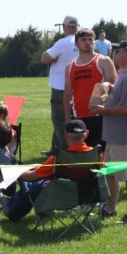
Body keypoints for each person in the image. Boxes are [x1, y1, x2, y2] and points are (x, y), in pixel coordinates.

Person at [93, 40, 127, 223]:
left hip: (124, 135)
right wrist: (112, 88)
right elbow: (122, 96)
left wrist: (103, 110)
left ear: (126, 54)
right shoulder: (126, 74)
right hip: (115, 134)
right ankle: (110, 209)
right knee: (111, 174)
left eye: (118, 51)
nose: (114, 54)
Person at [4, 120, 100, 221]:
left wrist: (14, 171)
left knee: (28, 186)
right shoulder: (96, 154)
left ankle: (10, 211)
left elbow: (31, 176)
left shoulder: (58, 157)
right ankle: (10, 207)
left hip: (59, 196)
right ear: (86, 134)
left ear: (65, 135)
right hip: (88, 196)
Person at [63, 27, 117, 148]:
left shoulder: (104, 61)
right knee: (82, 158)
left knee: (101, 156)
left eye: (91, 40)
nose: (88, 42)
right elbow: (67, 95)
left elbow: (115, 89)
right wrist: (67, 119)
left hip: (101, 116)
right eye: (83, 40)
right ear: (76, 44)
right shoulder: (70, 67)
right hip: (79, 118)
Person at [42, 15, 80, 152]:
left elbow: (45, 58)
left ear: (64, 27)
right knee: (72, 118)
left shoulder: (63, 42)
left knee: (59, 120)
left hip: (60, 87)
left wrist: (53, 57)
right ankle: (56, 148)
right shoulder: (82, 41)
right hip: (78, 88)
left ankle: (64, 152)